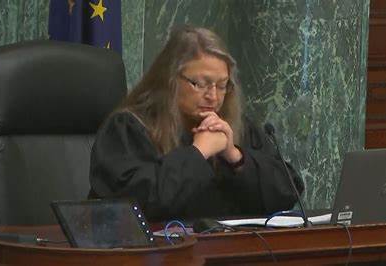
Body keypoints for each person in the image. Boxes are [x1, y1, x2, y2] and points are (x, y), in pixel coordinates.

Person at [89, 25, 304, 222]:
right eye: (200, 84)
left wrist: (236, 157)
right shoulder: (129, 127)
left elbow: (290, 191)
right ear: (170, 79)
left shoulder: (235, 127)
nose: (213, 96)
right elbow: (133, 206)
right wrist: (199, 152)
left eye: (222, 85)